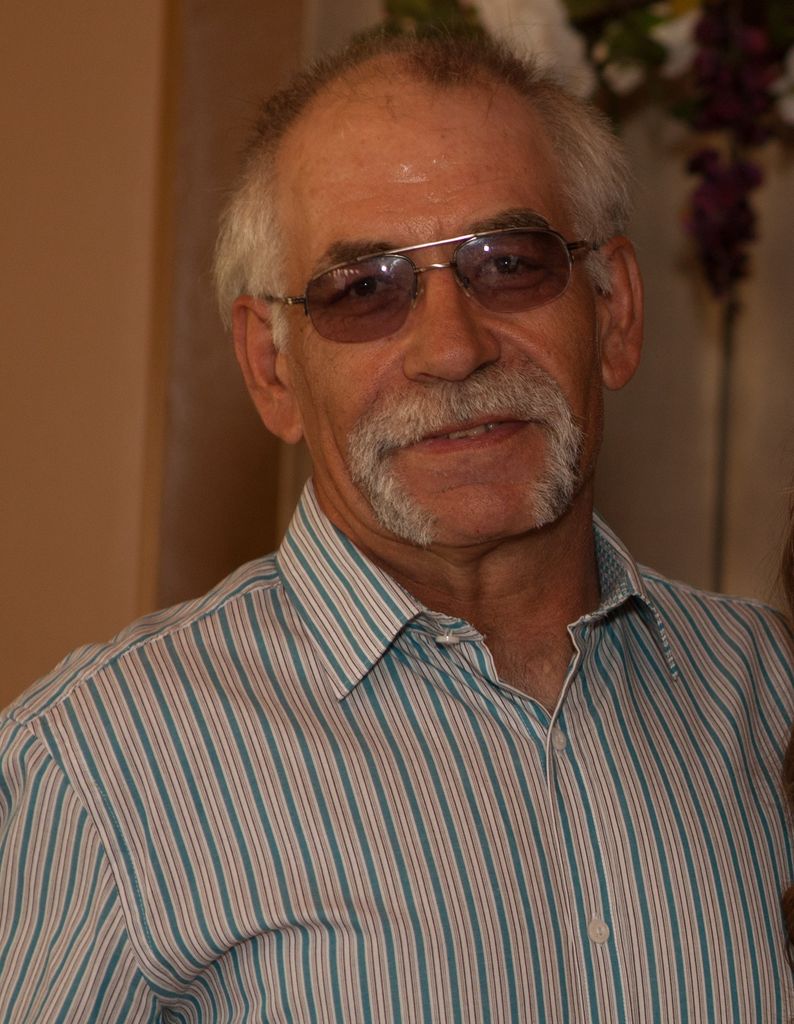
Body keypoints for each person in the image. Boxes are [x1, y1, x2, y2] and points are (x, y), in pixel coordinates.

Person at [1, 29, 792, 1023]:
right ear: (271, 368)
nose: (453, 349)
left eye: (508, 264)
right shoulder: (98, 769)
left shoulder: (771, 699)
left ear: (614, 311)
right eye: (364, 290)